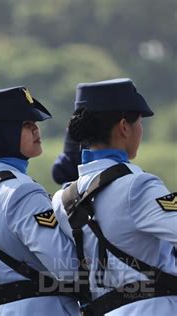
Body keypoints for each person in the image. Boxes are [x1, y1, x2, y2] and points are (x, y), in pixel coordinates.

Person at [52, 78, 177, 315]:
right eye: (139, 122)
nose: (141, 129)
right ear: (124, 126)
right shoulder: (138, 185)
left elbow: (65, 271)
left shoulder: (62, 198)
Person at [0, 85, 80, 315]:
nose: (36, 130)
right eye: (26, 125)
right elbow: (69, 268)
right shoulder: (22, 190)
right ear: (3, 131)